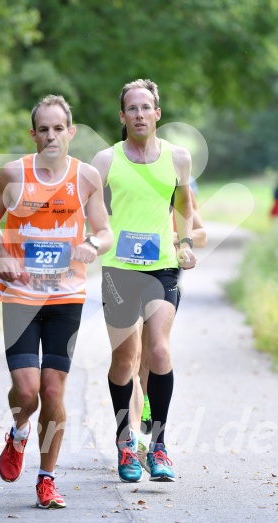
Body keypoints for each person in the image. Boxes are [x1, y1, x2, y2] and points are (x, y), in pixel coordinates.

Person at [0, 95, 113, 509]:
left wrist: (93, 244)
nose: (51, 135)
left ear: (71, 132)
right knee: (27, 391)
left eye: (59, 128)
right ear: (33, 134)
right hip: (20, 296)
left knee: (53, 390)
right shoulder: (12, 175)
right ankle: (19, 431)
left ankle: (47, 478)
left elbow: (105, 230)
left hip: (66, 297)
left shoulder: (85, 177)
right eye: (44, 129)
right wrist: (1, 255)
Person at [92, 78, 196, 483]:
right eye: (131, 108)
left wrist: (185, 243)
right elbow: (88, 207)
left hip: (162, 268)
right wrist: (93, 239)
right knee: (124, 361)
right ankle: (125, 442)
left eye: (145, 107)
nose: (139, 114)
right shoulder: (105, 160)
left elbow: (185, 205)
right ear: (123, 117)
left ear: (157, 113)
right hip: (119, 271)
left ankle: (160, 446)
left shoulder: (178, 158)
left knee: (159, 352)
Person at [137, 182, 207, 435]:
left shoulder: (179, 193)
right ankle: (139, 404)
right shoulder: (135, 193)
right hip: (128, 272)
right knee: (133, 351)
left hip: (165, 274)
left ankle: (146, 406)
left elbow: (201, 234)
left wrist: (174, 238)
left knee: (152, 346)